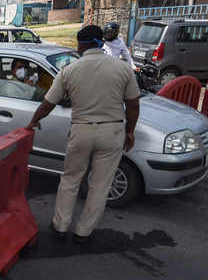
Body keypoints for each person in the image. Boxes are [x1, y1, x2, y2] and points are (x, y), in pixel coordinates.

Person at [26, 25, 140, 244]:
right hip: (112, 131)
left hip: (81, 130)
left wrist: (34, 120)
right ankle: (83, 232)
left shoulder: (69, 70)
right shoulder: (122, 68)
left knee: (70, 179)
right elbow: (133, 104)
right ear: (101, 43)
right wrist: (130, 131)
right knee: (100, 185)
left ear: (81, 44)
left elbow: (48, 103)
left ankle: (60, 226)